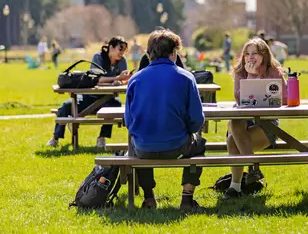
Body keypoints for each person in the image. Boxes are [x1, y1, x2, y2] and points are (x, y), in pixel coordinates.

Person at [125, 29, 206, 211]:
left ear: (148, 54)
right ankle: (186, 199)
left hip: (144, 148)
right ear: (174, 53)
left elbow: (130, 122)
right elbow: (196, 120)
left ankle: (149, 198)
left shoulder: (135, 79)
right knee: (199, 145)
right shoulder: (186, 78)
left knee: (137, 141)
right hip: (177, 145)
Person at [222, 38, 288, 200]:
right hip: (243, 124)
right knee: (234, 124)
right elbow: (239, 99)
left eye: (255, 54)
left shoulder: (273, 71)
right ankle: (250, 172)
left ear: (264, 55)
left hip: (267, 126)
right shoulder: (240, 72)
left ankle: (236, 186)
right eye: (247, 54)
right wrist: (250, 77)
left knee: (232, 141)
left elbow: (286, 98)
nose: (250, 58)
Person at [46, 36, 132, 148]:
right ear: (111, 47)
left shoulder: (122, 61)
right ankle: (55, 138)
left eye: (124, 50)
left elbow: (124, 80)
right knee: (65, 107)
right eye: (120, 49)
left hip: (108, 97)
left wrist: (121, 81)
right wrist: (116, 79)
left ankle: (102, 138)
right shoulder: (98, 57)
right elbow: (96, 79)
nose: (122, 53)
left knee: (116, 104)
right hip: (90, 96)